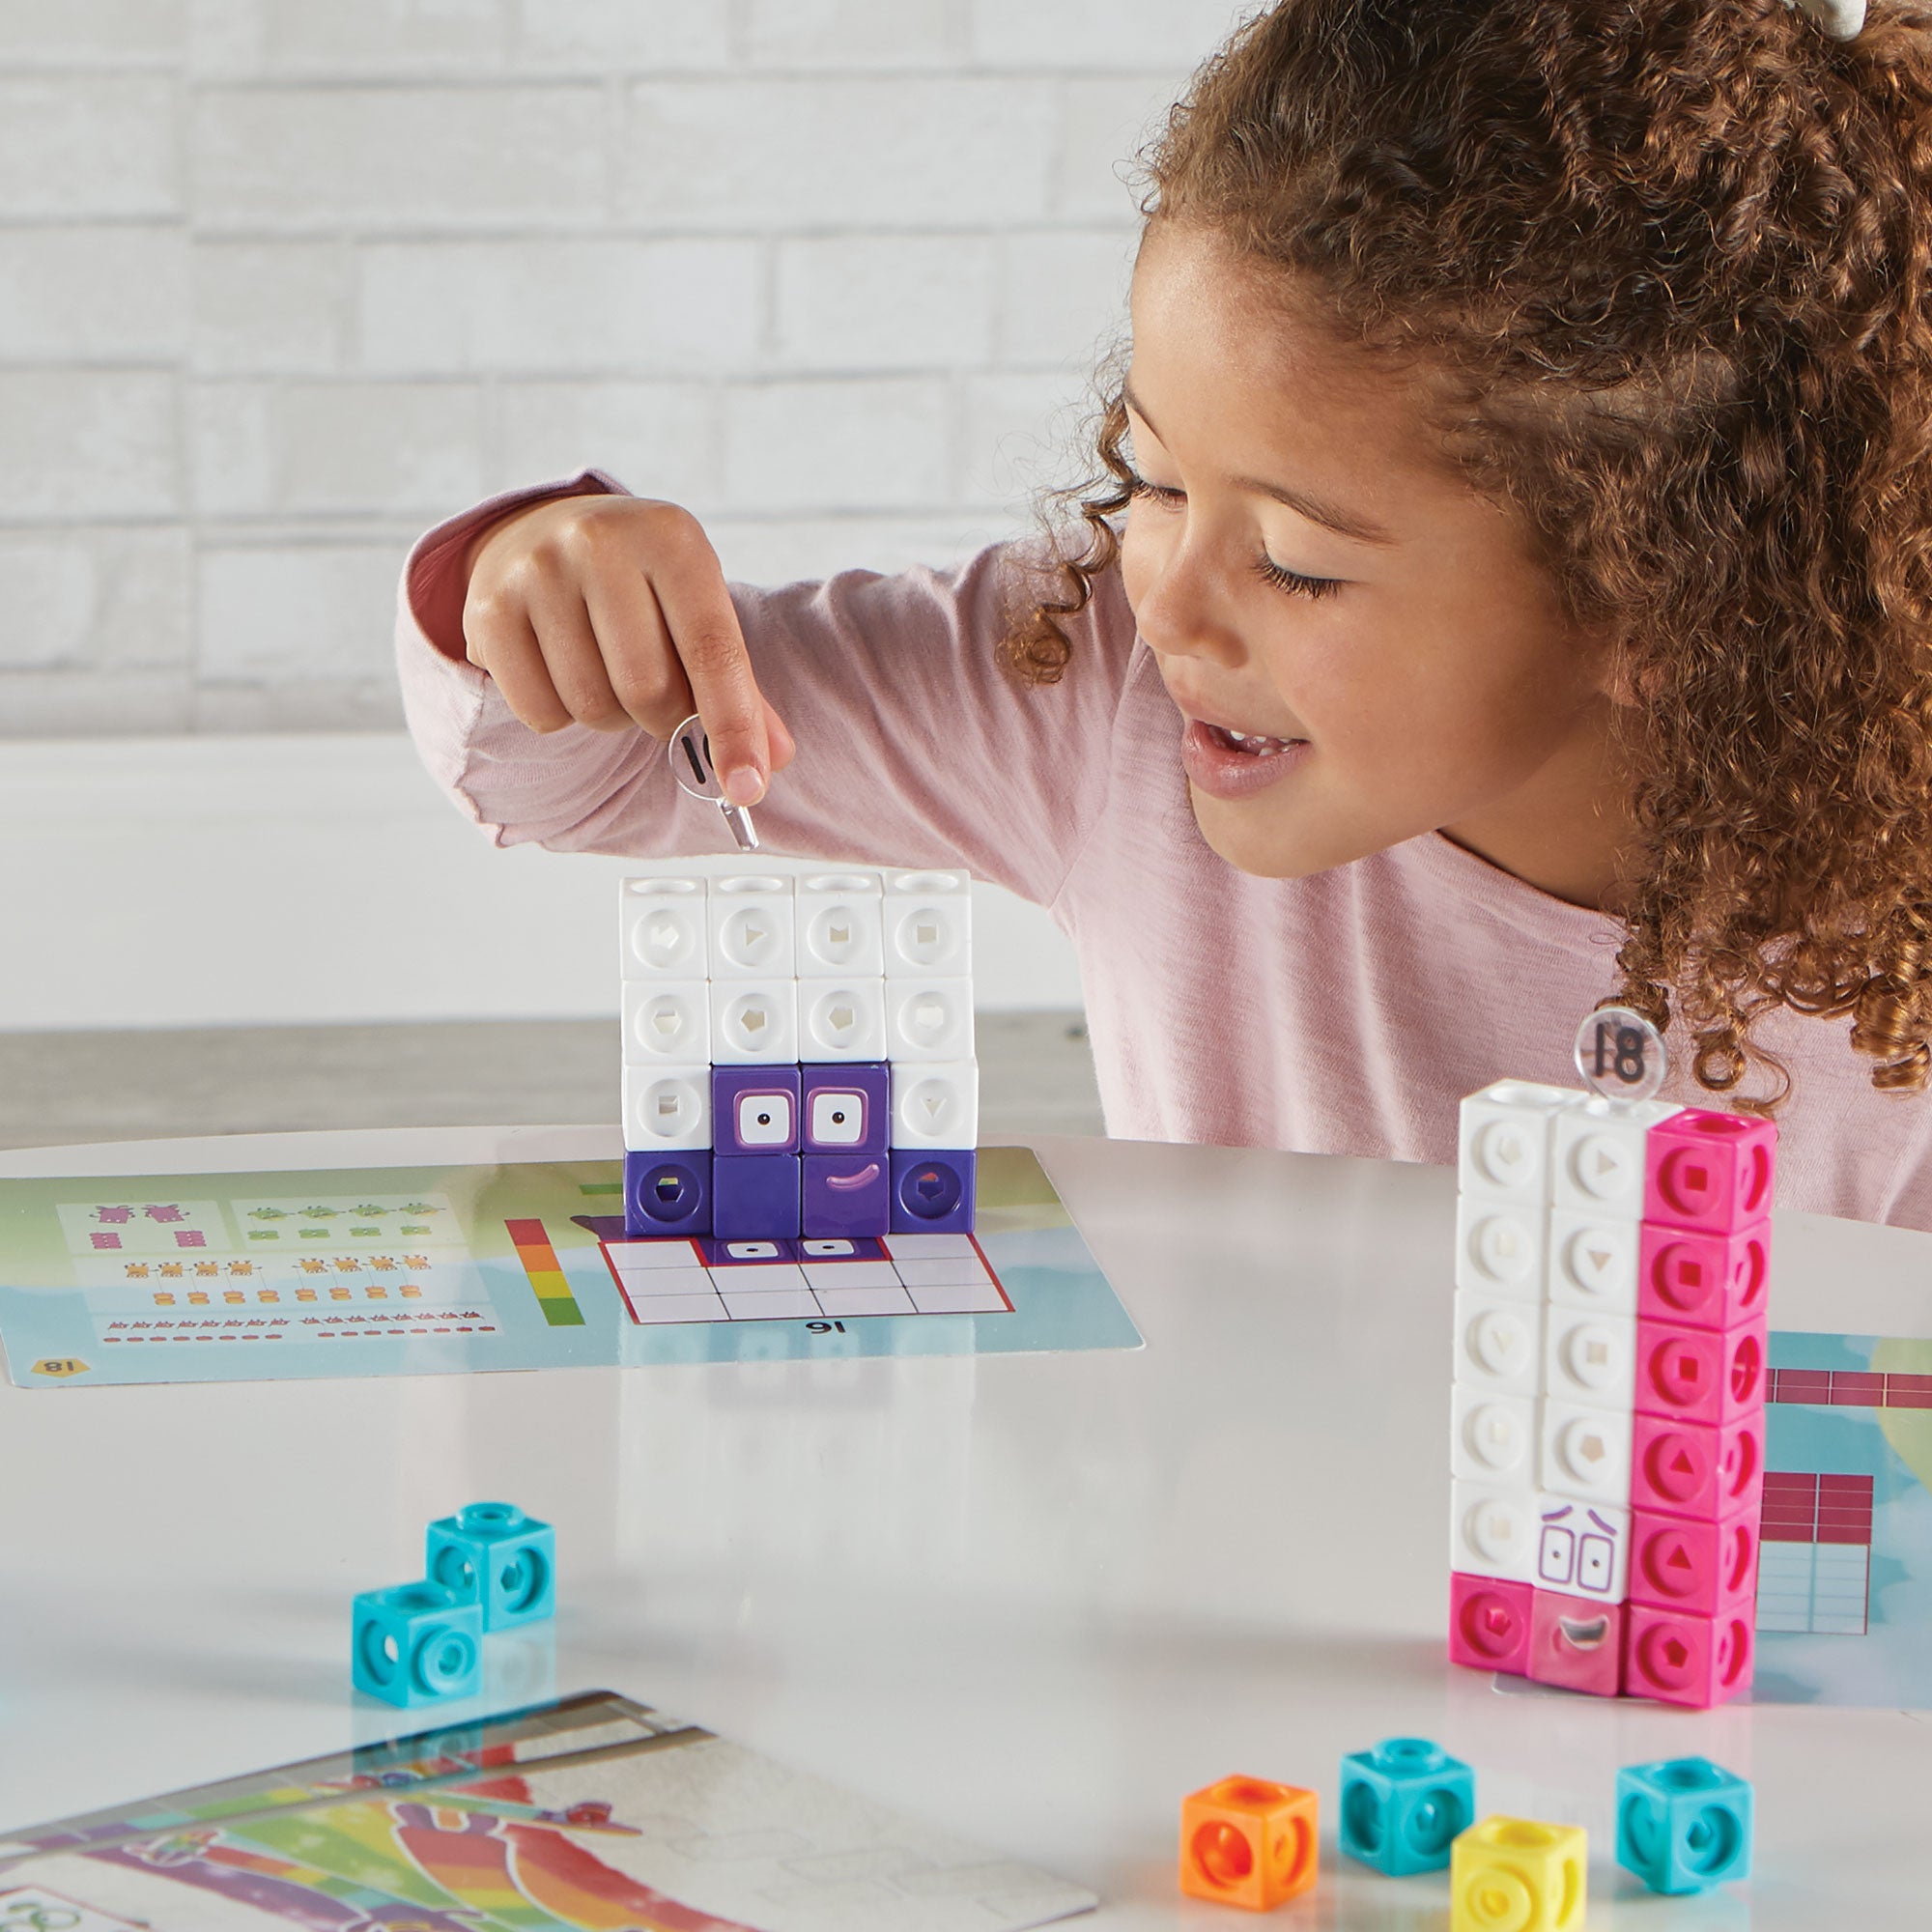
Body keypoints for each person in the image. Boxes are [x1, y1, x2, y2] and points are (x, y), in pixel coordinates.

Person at [399, 0, 1932, 1227]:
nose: (1169, 602)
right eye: (1150, 478)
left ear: (1659, 589)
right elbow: (581, 774)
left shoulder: (1894, 897)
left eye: (1302, 563)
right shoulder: (1100, 700)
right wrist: (534, 577)